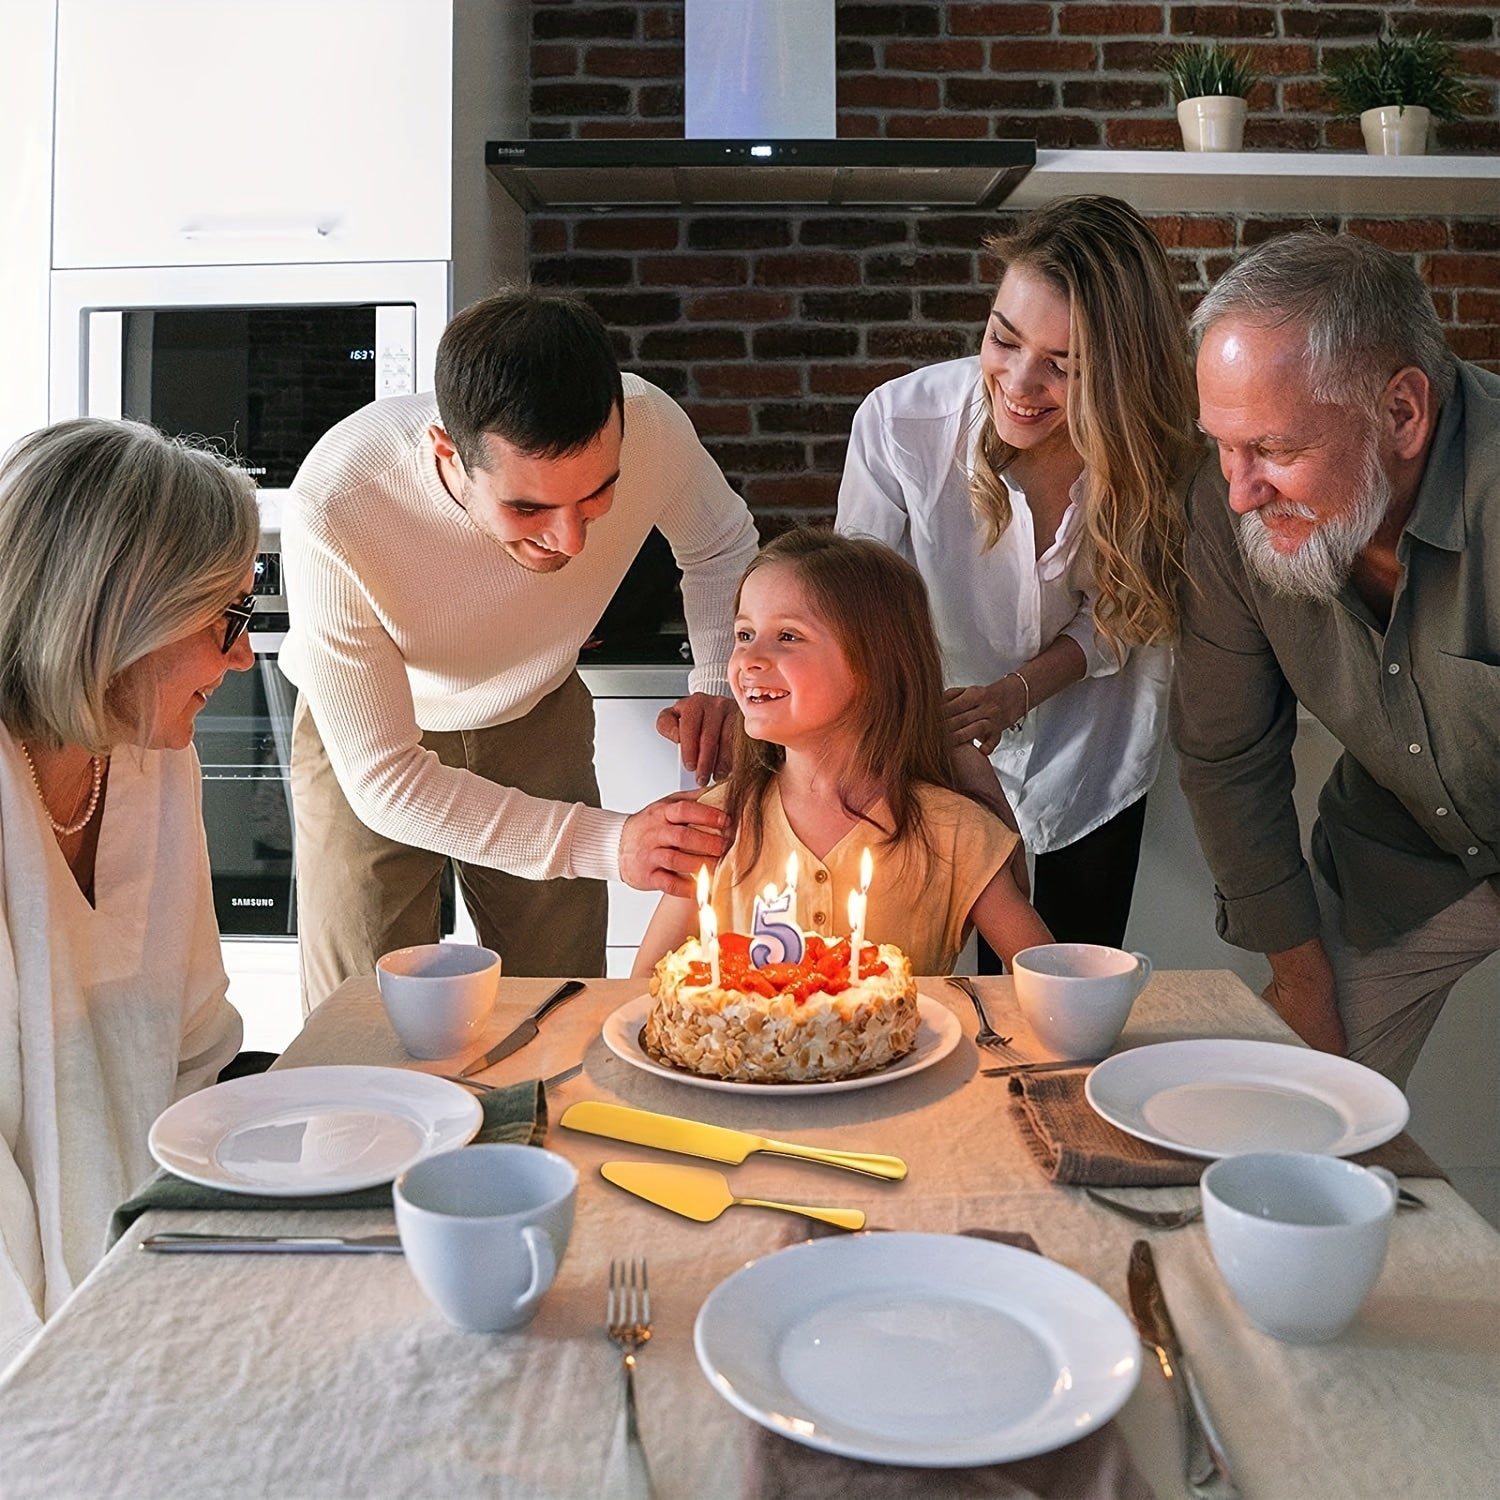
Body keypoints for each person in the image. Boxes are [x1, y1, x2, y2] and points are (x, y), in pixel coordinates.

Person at [281, 289, 759, 1009]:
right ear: (448, 452)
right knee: (360, 1014)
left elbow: (720, 544)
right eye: (527, 507)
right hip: (373, 737)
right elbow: (384, 782)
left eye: (597, 496)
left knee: (558, 1001)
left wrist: (719, 681)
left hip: (537, 711)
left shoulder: (652, 426)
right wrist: (610, 843)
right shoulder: (339, 501)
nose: (570, 541)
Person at [837, 195, 1199, 967]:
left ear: (1120, 373)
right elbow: (858, 614)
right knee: (922, 991)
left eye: (1064, 366)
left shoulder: (1159, 450)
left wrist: (1013, 695)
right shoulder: (899, 427)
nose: (1020, 382)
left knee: (1077, 990)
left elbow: (1123, 614)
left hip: (1092, 741)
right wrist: (940, 739)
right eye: (1003, 338)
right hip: (929, 739)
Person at [1175, 230, 1500, 1085]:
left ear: (1401, 414)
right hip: (1401, 860)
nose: (1240, 491)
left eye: (1276, 450)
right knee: (1286, 1110)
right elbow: (1227, 755)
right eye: (1222, 444)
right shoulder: (1228, 505)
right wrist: (1300, 980)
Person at [0, 418, 258, 1367]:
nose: (244, 656)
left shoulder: (150, 758)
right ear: (124, 615)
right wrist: (71, 1361)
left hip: (143, 1265)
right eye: (228, 616)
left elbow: (194, 1043)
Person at [632, 530, 1052, 979]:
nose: (750, 658)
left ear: (875, 664)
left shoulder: (954, 833)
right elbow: (640, 988)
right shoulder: (716, 824)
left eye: (788, 636)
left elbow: (1052, 981)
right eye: (745, 634)